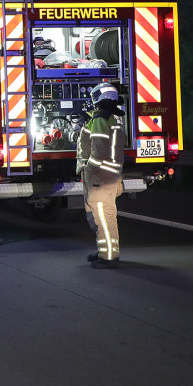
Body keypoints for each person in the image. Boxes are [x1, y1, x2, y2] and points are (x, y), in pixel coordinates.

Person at [77, 82, 126, 269]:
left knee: (102, 218)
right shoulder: (114, 118)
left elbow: (98, 151)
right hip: (111, 176)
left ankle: (108, 258)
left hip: (99, 177)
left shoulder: (100, 119)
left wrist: (88, 169)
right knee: (108, 216)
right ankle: (107, 252)